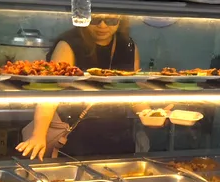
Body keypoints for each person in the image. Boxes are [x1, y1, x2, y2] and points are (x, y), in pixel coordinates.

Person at [16, 15, 140, 159]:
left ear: (120, 21)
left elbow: (131, 89)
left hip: (118, 130)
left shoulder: (127, 45)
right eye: (95, 20)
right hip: (77, 131)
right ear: (83, 19)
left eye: (111, 21)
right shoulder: (69, 44)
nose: (102, 26)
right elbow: (51, 92)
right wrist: (38, 134)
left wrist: (150, 113)